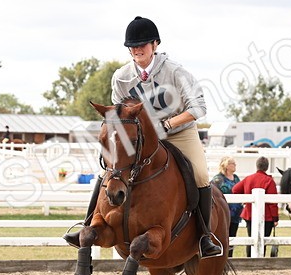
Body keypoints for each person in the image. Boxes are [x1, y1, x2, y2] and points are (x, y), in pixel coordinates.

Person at [63, 16, 223, 258]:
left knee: (200, 173)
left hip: (178, 133)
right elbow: (118, 115)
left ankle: (204, 236)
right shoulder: (121, 77)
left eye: (143, 45)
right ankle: (87, 224)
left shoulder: (175, 72)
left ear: (155, 45)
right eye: (133, 46)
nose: (137, 50)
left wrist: (167, 124)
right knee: (108, 171)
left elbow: (198, 108)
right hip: (140, 138)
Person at [231, 157, 279, 257]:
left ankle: (249, 258)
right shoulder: (269, 181)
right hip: (267, 217)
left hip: (249, 214)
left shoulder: (249, 178)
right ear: (267, 167)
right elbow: (272, 202)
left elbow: (235, 189)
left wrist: (246, 200)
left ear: (257, 166)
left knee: (251, 238)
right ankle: (260, 259)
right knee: (263, 240)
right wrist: (275, 218)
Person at [211, 156, 242, 256]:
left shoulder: (236, 178)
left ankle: (230, 256)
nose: (235, 165)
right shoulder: (218, 179)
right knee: (222, 235)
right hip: (223, 213)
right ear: (226, 165)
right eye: (232, 163)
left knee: (232, 236)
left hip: (235, 213)